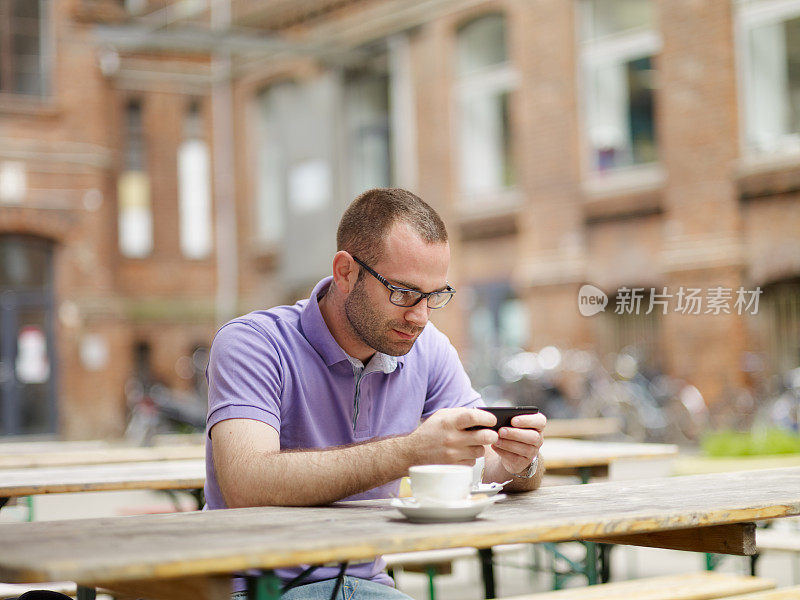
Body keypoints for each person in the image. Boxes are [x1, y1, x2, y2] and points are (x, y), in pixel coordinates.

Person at [205, 188, 547, 600]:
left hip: (365, 583)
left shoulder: (427, 348)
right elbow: (247, 482)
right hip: (256, 588)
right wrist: (411, 451)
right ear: (346, 272)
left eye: (435, 296)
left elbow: (486, 461)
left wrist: (520, 463)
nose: (419, 316)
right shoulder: (253, 342)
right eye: (403, 293)